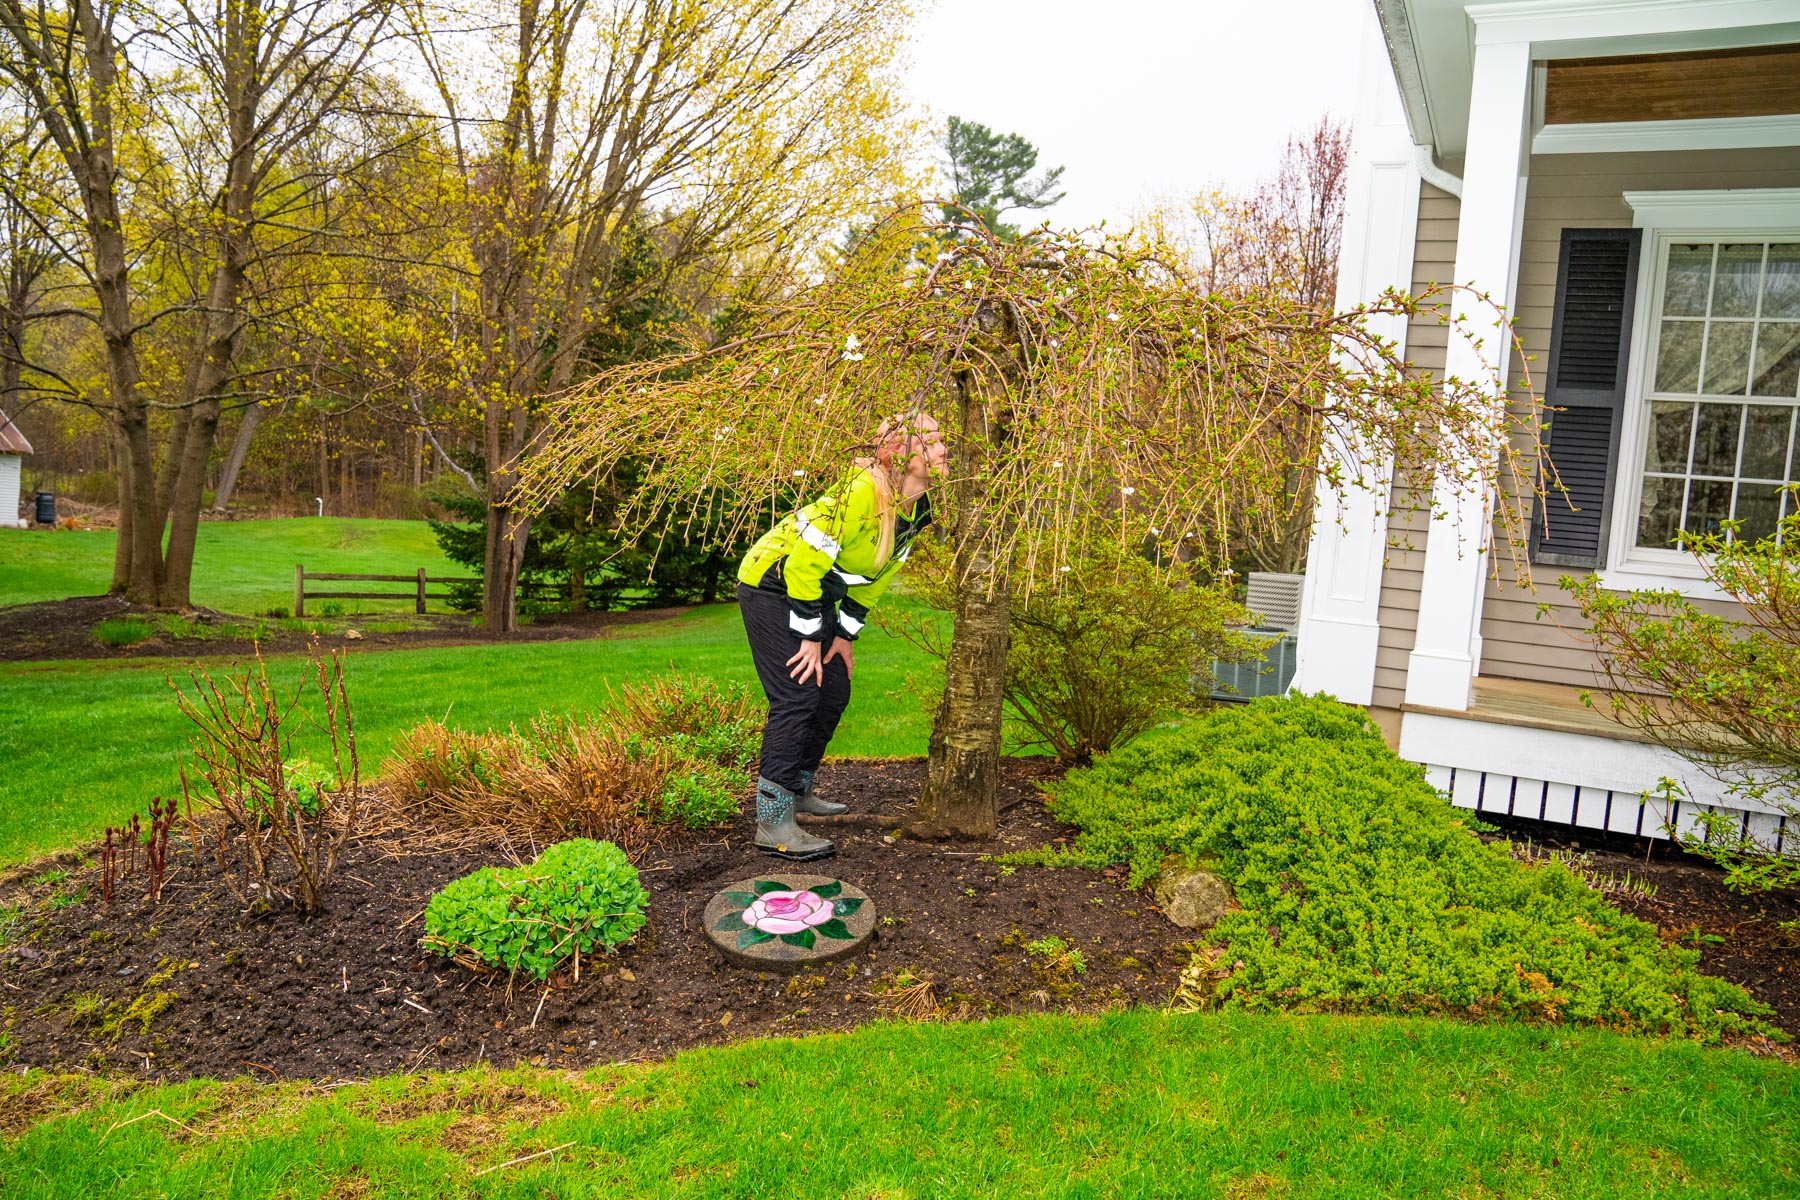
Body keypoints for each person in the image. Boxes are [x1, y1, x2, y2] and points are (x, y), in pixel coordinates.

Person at [736, 412, 948, 860]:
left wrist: (843, 636)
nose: (944, 449)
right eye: (930, 441)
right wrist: (811, 637)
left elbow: (877, 578)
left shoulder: (917, 508)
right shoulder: (860, 494)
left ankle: (797, 791)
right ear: (897, 453)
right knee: (797, 693)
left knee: (832, 688)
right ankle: (772, 823)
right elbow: (799, 566)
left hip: (813, 591)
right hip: (773, 582)